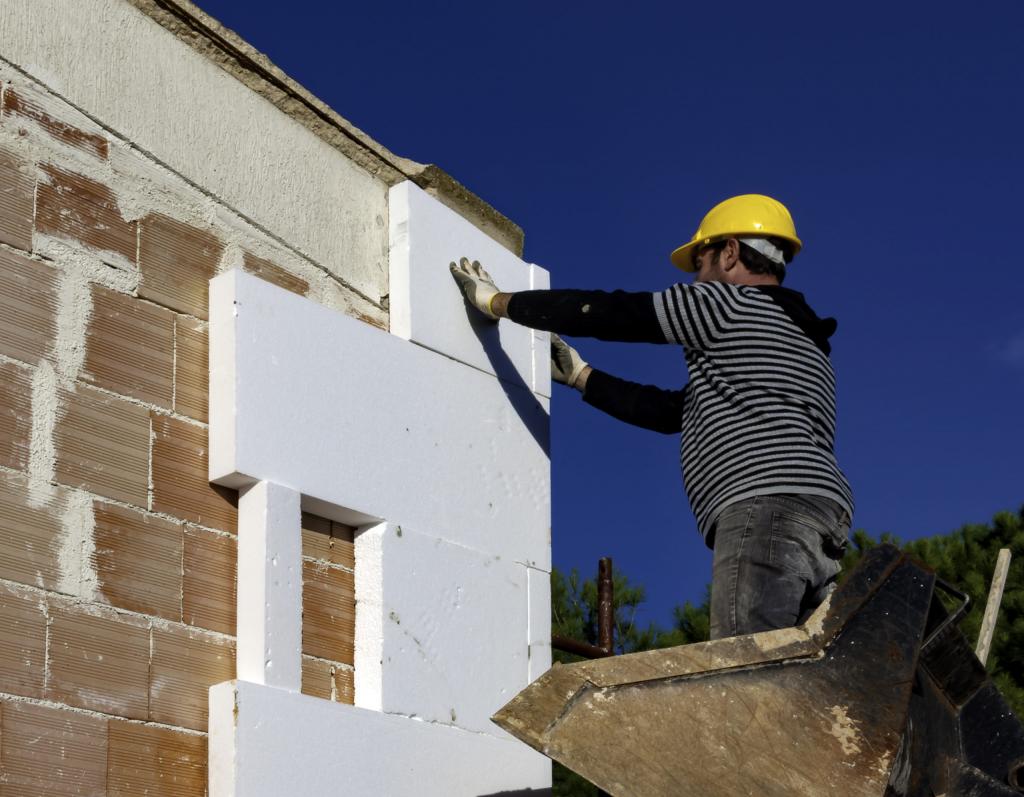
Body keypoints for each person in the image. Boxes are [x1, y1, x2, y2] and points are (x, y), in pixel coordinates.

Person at [451, 194, 854, 640]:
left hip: (764, 508)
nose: (697, 279)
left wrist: (499, 303)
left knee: (745, 670)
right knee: (799, 679)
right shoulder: (805, 343)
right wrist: (582, 376)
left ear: (730, 252)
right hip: (821, 521)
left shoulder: (727, 305)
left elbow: (616, 314)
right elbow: (674, 412)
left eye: (700, 264)